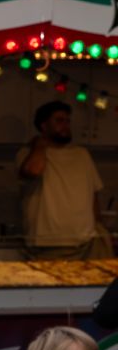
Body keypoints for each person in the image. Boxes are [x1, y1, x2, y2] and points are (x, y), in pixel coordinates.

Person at [18, 101, 112, 260]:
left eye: (67, 121)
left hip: (87, 241)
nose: (66, 125)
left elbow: (93, 196)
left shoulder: (82, 154)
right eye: (59, 121)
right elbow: (33, 170)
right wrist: (39, 145)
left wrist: (99, 227)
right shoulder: (28, 153)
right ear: (44, 125)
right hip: (49, 243)